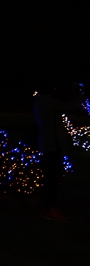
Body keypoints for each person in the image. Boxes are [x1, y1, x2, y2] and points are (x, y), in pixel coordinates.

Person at [33, 84, 83, 222]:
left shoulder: (40, 101)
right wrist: (80, 97)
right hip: (52, 145)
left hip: (49, 144)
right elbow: (70, 107)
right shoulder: (46, 101)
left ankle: (48, 207)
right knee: (53, 177)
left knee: (52, 177)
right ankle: (48, 208)